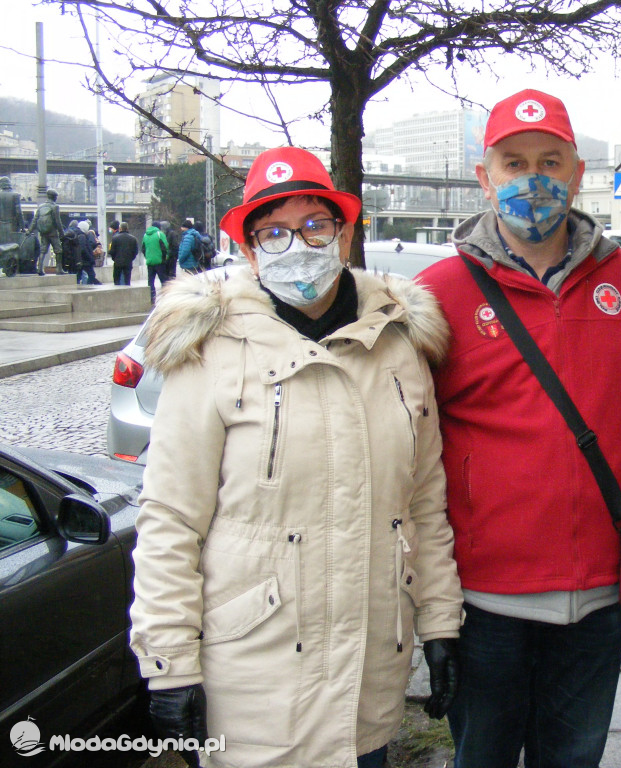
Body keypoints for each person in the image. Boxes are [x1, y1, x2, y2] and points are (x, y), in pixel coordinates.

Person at [129, 146, 462, 768]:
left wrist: (440, 623)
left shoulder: (398, 345)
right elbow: (171, 518)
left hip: (367, 678)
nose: (299, 244)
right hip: (255, 684)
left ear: (343, 231)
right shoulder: (212, 350)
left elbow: (423, 503)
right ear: (250, 250)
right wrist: (169, 663)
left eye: (315, 224)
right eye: (274, 232)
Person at [417, 89, 621, 768]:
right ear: (485, 177)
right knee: (484, 757)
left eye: (550, 160)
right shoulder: (439, 294)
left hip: (599, 587)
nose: (533, 177)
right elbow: (413, 444)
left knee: (574, 757)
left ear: (576, 173)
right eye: (514, 162)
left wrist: (616, 495)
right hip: (484, 595)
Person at [27, 189, 62, 274]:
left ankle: (39, 269)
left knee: (43, 250)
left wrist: (29, 230)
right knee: (58, 250)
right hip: (53, 232)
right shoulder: (55, 206)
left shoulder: (41, 206)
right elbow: (58, 221)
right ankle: (58, 269)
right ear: (54, 197)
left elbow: (35, 220)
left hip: (43, 232)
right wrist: (61, 232)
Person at [142, 222, 170, 303]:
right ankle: (165, 297)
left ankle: (152, 297)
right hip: (159, 261)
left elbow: (143, 249)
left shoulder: (145, 235)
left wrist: (148, 257)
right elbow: (165, 247)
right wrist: (165, 258)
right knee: (163, 280)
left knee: (150, 281)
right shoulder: (159, 234)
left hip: (150, 262)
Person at [109, 221, 140, 286]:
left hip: (117, 262)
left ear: (120, 228)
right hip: (128, 262)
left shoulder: (115, 238)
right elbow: (135, 251)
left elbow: (112, 251)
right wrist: (131, 258)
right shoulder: (133, 239)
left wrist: (115, 259)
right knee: (127, 280)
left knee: (117, 280)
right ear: (127, 228)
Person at [75, 219, 101, 285]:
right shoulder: (82, 236)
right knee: (91, 274)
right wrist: (90, 257)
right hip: (85, 260)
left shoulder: (79, 235)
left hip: (81, 260)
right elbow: (83, 248)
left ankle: (80, 286)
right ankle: (88, 286)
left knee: (79, 275)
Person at [0, 176, 24, 247]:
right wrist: (22, 227)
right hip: (13, 227)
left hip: (1, 227)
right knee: (13, 246)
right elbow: (18, 212)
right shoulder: (15, 195)